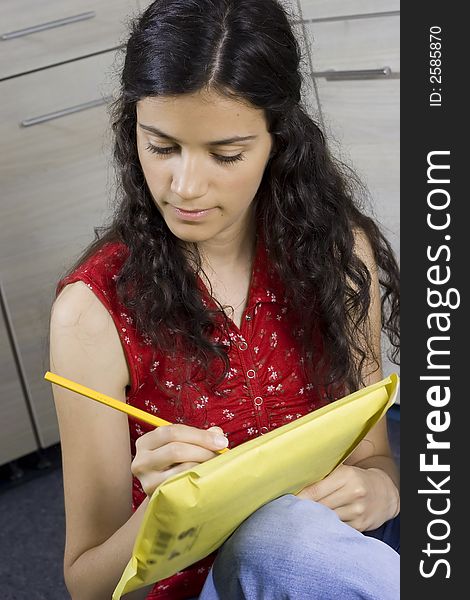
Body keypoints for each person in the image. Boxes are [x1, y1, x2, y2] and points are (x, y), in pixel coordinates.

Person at [49, 0, 400, 598]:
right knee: (276, 535)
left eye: (225, 155)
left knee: (294, 537)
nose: (184, 187)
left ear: (278, 140)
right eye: (161, 147)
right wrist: (158, 513)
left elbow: (375, 459)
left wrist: (382, 488)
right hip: (195, 586)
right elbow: (87, 582)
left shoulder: (338, 253)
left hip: (333, 564)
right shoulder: (92, 312)